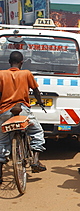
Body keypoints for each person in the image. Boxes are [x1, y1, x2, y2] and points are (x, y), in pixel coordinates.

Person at [0, 51, 47, 183]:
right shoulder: (26, 73)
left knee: (2, 141)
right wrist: (40, 102)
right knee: (37, 131)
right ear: (22, 62)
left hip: (5, 112)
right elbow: (36, 91)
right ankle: (36, 160)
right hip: (23, 110)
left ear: (9, 62)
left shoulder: (1, 74)